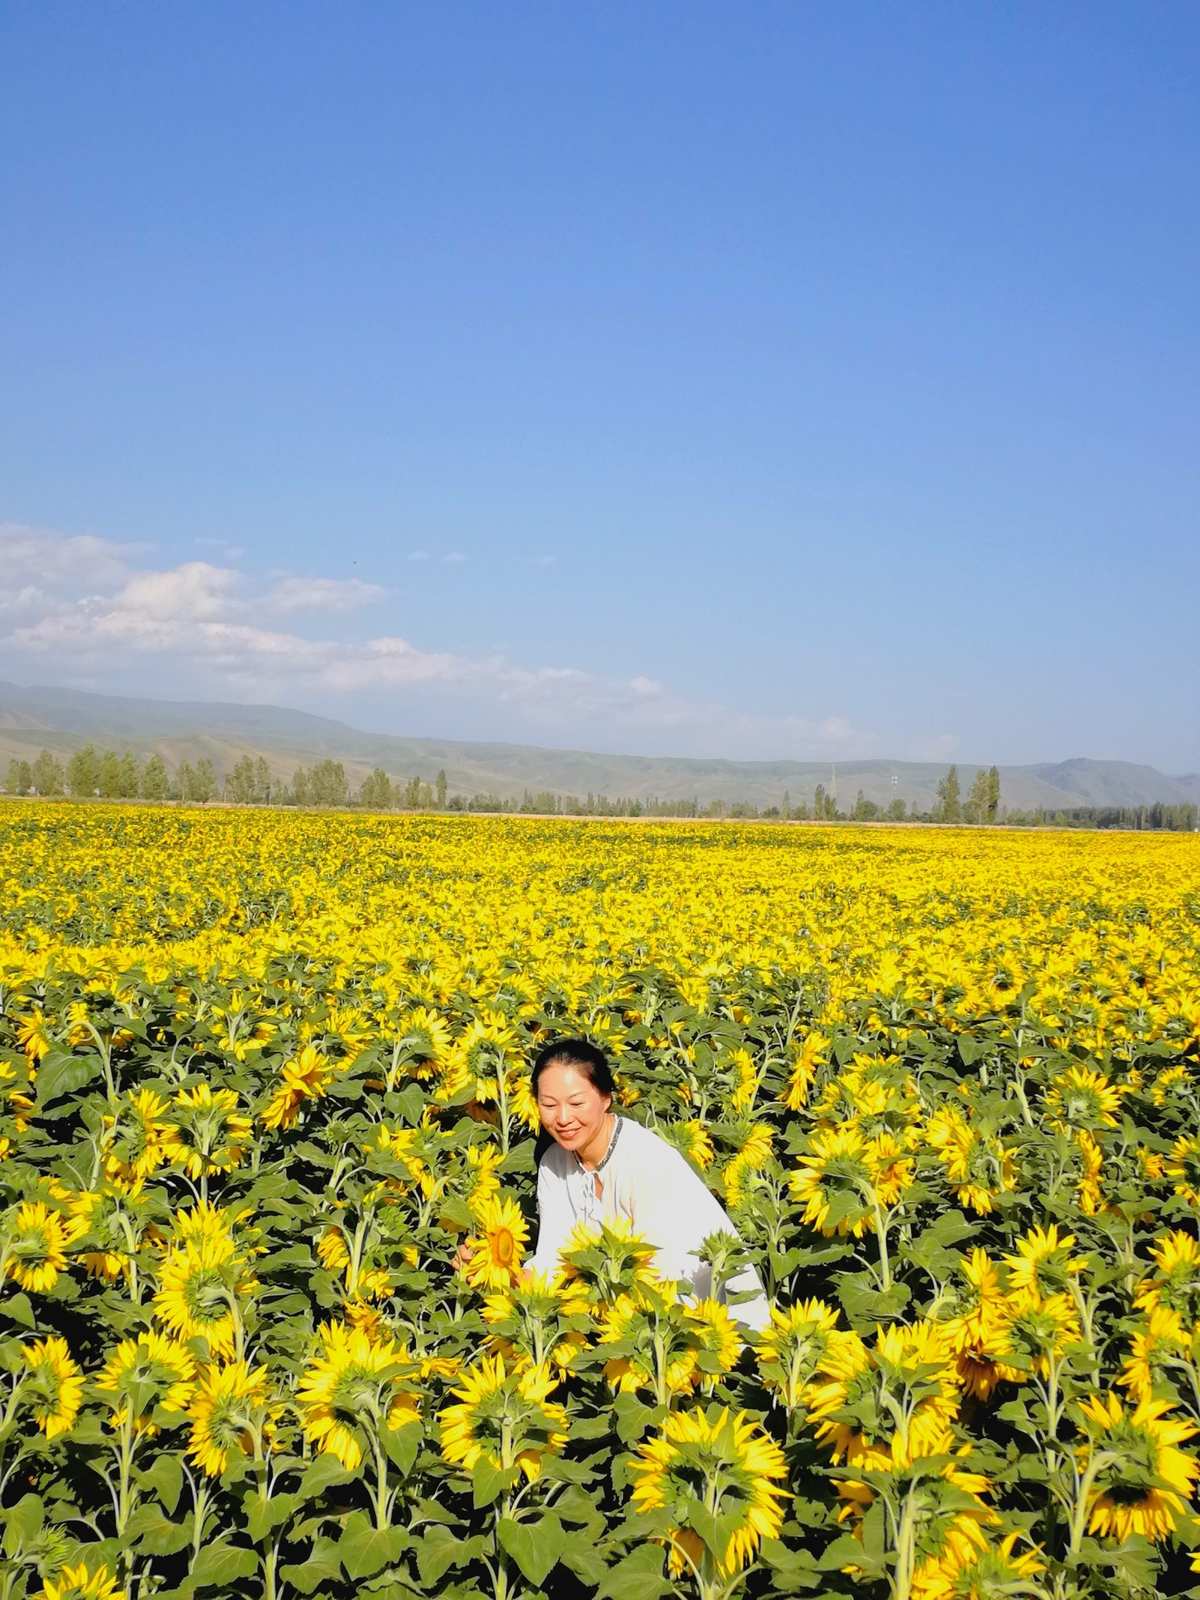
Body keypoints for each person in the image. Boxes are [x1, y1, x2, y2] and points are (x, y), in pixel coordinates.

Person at [527, 1037, 772, 1332]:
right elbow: (553, 1257)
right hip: (627, 1321)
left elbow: (667, 1274)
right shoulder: (554, 1163)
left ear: (606, 1098)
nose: (563, 1118)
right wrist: (494, 1267)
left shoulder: (645, 1160)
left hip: (708, 1326)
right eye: (549, 1104)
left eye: (577, 1103)